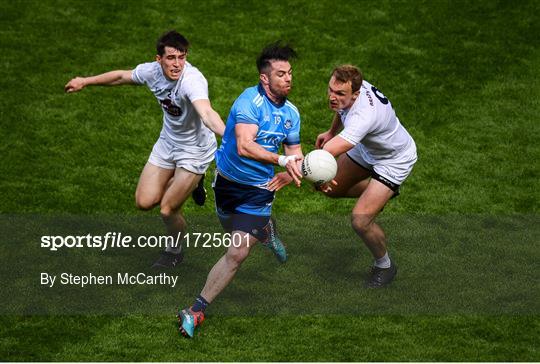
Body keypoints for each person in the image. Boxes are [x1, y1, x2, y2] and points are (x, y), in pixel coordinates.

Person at [64, 30, 225, 268]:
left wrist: (230, 137)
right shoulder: (151, 71)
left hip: (195, 151)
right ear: (158, 59)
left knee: (168, 210)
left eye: (182, 57)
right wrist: (85, 81)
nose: (177, 63)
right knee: (144, 202)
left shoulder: (192, 80)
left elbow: (207, 113)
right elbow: (121, 76)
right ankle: (188, 184)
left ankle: (174, 252)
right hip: (167, 143)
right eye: (171, 57)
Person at [177, 42, 303, 338]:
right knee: (230, 228)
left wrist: (289, 170)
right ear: (265, 78)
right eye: (281, 74)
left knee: (236, 252)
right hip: (227, 184)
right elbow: (245, 146)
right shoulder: (249, 103)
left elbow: (294, 152)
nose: (288, 79)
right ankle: (265, 231)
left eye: (290, 73)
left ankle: (195, 311)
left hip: (259, 190)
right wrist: (282, 160)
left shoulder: (292, 114)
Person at [316, 65, 417, 288]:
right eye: (331, 90)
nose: (332, 97)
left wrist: (297, 168)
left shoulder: (364, 116)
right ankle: (379, 193)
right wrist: (331, 131)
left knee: (360, 221)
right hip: (367, 148)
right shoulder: (352, 87)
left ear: (356, 94)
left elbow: (328, 153)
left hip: (393, 160)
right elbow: (341, 109)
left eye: (340, 93)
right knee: (330, 189)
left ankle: (385, 265)